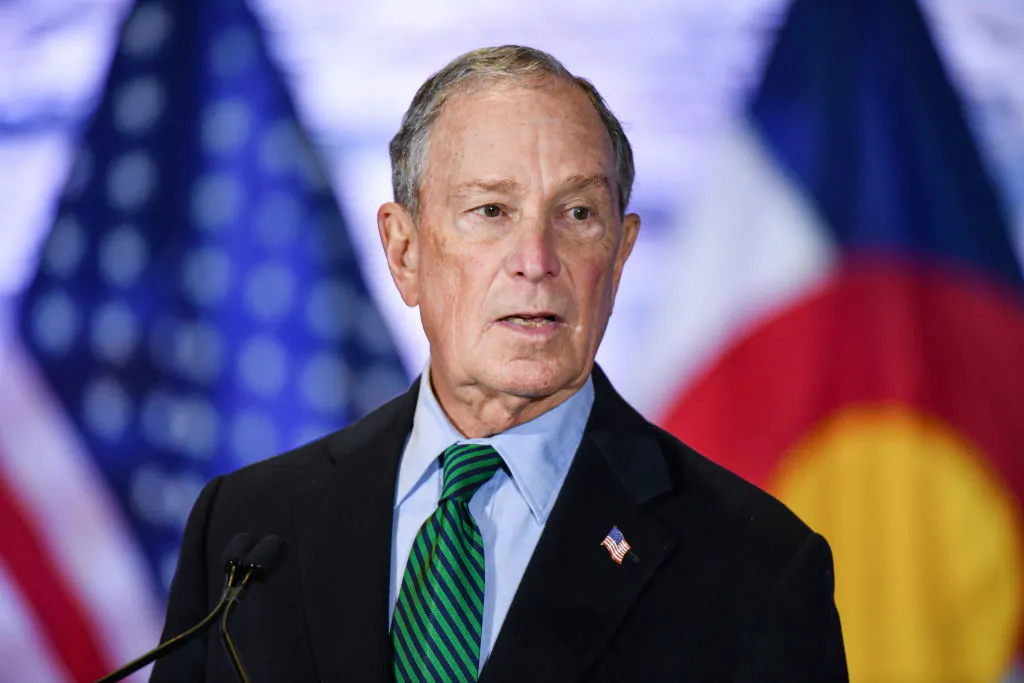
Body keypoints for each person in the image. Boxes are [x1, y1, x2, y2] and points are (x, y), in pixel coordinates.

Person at [151, 45, 847, 682]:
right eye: (491, 210)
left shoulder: (755, 567)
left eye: (578, 214)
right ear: (404, 252)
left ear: (619, 256)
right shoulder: (247, 529)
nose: (536, 261)